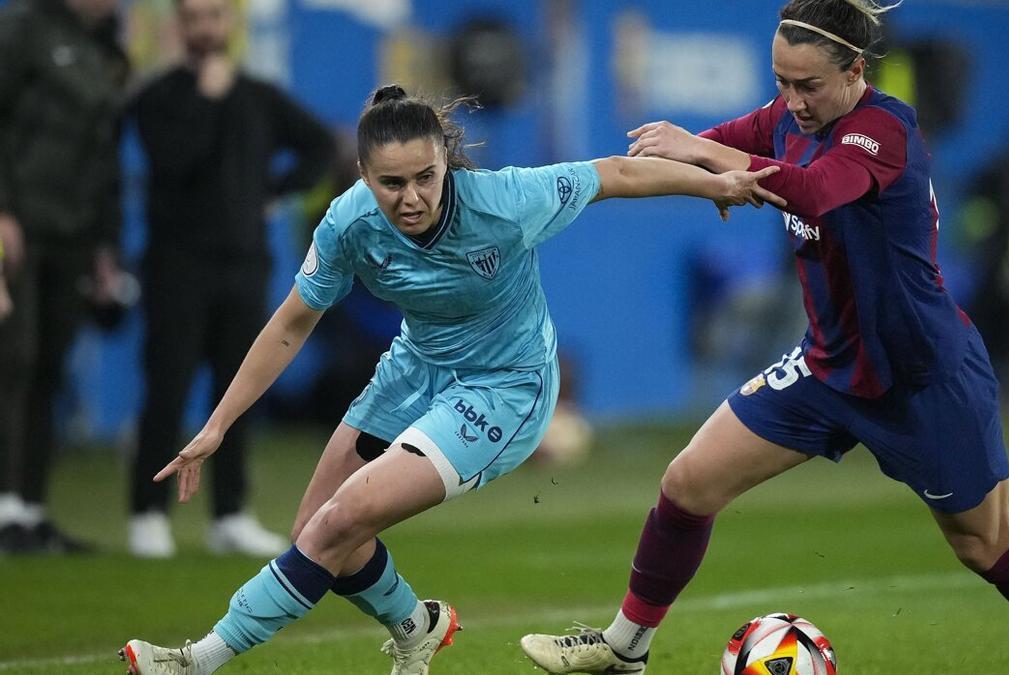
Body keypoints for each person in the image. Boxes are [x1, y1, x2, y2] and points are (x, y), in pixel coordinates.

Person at [519, 2, 1009, 674]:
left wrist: (705, 152)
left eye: (809, 85)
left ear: (856, 70)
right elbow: (723, 152)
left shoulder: (883, 129)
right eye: (781, 82)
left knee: (985, 543)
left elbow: (811, 190)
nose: (792, 102)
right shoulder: (786, 120)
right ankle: (624, 649)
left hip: (921, 379)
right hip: (828, 368)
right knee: (688, 482)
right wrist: (699, 172)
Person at [117, 84, 783, 675]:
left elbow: (612, 173)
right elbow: (291, 324)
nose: (410, 198)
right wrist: (217, 423)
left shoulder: (504, 201)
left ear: (445, 163)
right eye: (390, 183)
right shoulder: (349, 221)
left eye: (424, 178)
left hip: (506, 386)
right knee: (316, 534)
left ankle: (196, 659)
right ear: (363, 175)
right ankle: (417, 626)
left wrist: (717, 184)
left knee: (337, 521)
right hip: (414, 369)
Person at [126, 0, 336, 558]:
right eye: (194, 18)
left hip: (244, 264)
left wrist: (274, 192)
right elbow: (175, 161)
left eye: (215, 17)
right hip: (177, 266)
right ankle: (148, 514)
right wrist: (208, 99)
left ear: (230, 24)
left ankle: (230, 514)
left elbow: (322, 146)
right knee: (167, 389)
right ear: (179, 26)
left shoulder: (258, 97)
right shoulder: (158, 99)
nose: (205, 29)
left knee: (237, 391)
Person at [0, 0, 129, 555]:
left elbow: (104, 158)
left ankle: (29, 510)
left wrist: (106, 244)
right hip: (18, 225)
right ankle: (4, 506)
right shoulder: (23, 29)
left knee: (51, 363)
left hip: (73, 234)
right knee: (13, 359)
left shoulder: (107, 50)